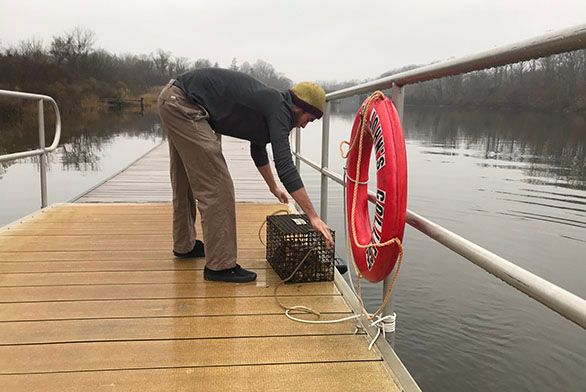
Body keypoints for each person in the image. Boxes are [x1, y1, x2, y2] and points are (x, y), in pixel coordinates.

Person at [157, 67, 333, 283]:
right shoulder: (279, 107)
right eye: (310, 118)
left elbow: (258, 149)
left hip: (176, 100)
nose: (305, 125)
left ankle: (185, 246)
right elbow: (285, 165)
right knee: (218, 186)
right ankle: (220, 267)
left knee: (185, 180)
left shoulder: (274, 107)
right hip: (184, 105)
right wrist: (313, 216)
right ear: (300, 107)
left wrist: (272, 187)